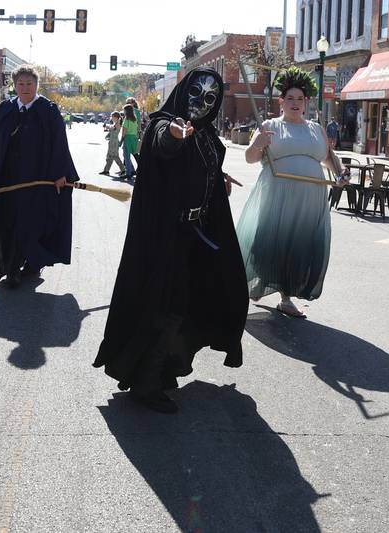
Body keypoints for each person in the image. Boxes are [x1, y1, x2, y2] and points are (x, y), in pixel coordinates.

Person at [94, 68, 248, 414]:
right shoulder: (165, 124)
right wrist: (175, 136)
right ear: (183, 91)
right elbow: (163, 144)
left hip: (197, 235)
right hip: (167, 237)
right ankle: (146, 383)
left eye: (210, 98)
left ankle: (164, 369)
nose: (200, 103)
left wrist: (215, 178)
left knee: (192, 301)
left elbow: (196, 166)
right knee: (166, 307)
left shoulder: (207, 134)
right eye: (195, 93)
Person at [236, 66, 347, 318]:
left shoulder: (316, 129)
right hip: (277, 197)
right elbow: (250, 158)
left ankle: (286, 298)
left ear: (306, 102)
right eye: (290, 98)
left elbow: (330, 158)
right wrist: (257, 144)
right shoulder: (269, 126)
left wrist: (340, 174)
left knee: (299, 247)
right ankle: (258, 286)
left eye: (300, 99)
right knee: (271, 243)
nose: (295, 103)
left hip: (310, 201)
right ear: (281, 102)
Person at [0, 65, 78, 288]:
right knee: (9, 223)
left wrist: (60, 173)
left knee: (31, 223)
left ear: (36, 85)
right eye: (20, 84)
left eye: (29, 84)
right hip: (8, 178)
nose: (25, 88)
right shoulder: (5, 109)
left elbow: (59, 143)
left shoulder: (47, 110)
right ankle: (12, 269)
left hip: (37, 180)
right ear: (14, 86)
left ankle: (31, 263)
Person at [99, 111, 125, 177]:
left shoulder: (118, 123)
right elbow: (111, 128)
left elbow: (112, 128)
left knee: (115, 156)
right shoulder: (115, 122)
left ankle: (123, 170)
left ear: (116, 117)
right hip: (112, 142)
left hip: (114, 142)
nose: (111, 118)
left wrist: (106, 126)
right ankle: (106, 170)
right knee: (109, 157)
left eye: (112, 117)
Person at [119, 104, 139, 179]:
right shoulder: (135, 119)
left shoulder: (126, 119)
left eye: (124, 110)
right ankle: (132, 170)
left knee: (126, 156)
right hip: (134, 139)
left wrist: (121, 140)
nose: (123, 112)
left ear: (126, 111)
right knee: (133, 154)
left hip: (127, 139)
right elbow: (137, 130)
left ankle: (128, 173)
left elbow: (124, 131)